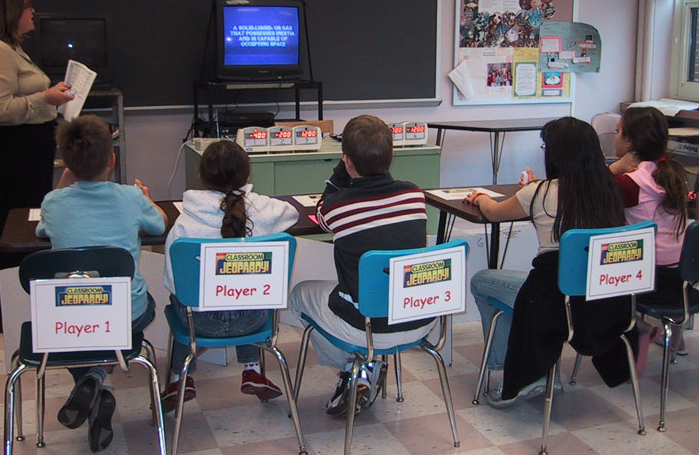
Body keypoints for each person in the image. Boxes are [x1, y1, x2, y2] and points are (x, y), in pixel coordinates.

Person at [469, 117, 636, 408]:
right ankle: (541, 370)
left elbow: (494, 212)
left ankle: (511, 370)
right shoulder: (609, 189)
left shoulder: (539, 193)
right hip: (605, 305)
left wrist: (480, 197)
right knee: (530, 292)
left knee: (483, 281)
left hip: (554, 305)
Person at [35, 115, 167, 452]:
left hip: (71, 313)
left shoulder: (53, 202)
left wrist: (67, 177)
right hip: (125, 311)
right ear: (112, 159)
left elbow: (42, 231)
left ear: (65, 162)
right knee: (126, 315)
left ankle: (92, 383)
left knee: (73, 331)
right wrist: (146, 196)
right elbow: (159, 224)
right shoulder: (129, 197)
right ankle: (98, 383)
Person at [288, 114, 432, 416]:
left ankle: (352, 367)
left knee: (299, 295)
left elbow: (322, 212)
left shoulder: (339, 207)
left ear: (348, 162)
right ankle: (367, 366)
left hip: (368, 327)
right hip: (418, 316)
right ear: (391, 157)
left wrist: (341, 173)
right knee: (353, 293)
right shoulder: (415, 196)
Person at [0, 0, 74, 334]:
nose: (32, 13)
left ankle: (24, 305)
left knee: (26, 225)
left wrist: (48, 97)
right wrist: (45, 98)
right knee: (16, 229)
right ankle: (7, 314)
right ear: (12, 13)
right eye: (27, 8)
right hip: (12, 147)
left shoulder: (12, 49)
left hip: (27, 144)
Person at [162, 139, 299, 411]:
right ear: (247, 175)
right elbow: (292, 214)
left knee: (180, 298)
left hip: (198, 325)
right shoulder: (261, 210)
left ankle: (180, 377)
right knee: (250, 294)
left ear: (201, 176)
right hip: (253, 321)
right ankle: (252, 368)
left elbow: (173, 282)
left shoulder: (184, 222)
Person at [611, 106, 692, 361]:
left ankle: (639, 326)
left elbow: (590, 192)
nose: (614, 137)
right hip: (682, 278)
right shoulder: (674, 173)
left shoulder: (629, 182)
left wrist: (614, 168)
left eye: (617, 131)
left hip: (646, 281)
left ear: (630, 142)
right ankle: (675, 332)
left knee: (590, 274)